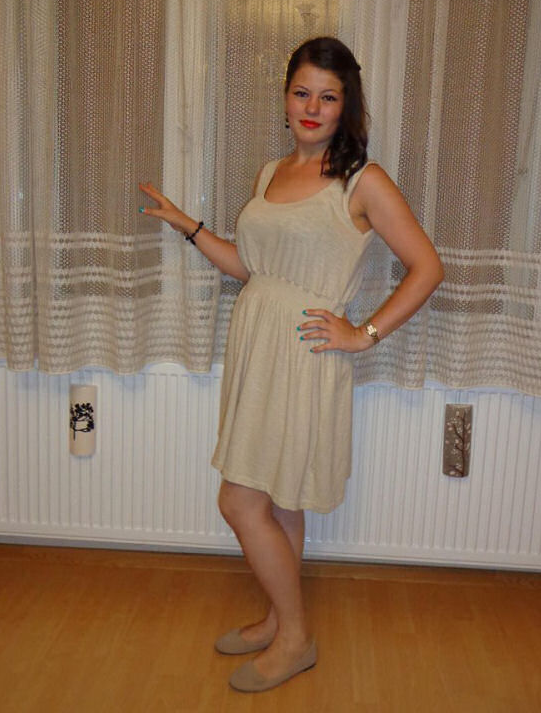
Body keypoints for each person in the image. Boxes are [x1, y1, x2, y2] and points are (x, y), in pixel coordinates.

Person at [139, 36, 444, 693]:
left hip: (305, 356)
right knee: (278, 501)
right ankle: (280, 621)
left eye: (327, 97)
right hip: (259, 348)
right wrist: (189, 226)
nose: (312, 107)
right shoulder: (270, 174)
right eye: (302, 92)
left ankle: (297, 638)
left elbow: (427, 268)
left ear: (345, 106)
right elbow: (252, 268)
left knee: (239, 500)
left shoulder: (362, 180)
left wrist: (364, 334)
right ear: (285, 98)